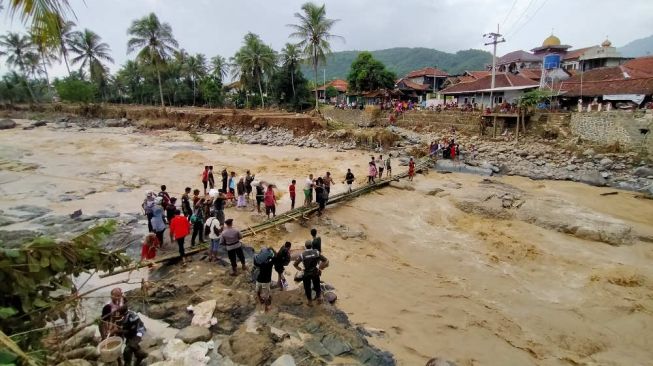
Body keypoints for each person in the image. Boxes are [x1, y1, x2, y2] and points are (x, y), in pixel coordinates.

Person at [293, 240, 329, 306]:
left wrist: (300, 269)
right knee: (317, 286)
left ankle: (310, 302)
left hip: (306, 273)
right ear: (311, 246)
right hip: (315, 272)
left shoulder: (302, 254)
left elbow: (295, 264)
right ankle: (319, 299)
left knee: (307, 288)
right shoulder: (316, 252)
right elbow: (325, 260)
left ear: (305, 246)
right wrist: (320, 268)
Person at [254, 247, 275, 312]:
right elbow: (276, 256)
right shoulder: (270, 264)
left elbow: (255, 261)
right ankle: (266, 308)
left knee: (258, 291)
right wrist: (272, 249)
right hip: (266, 281)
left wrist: (259, 254)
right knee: (266, 296)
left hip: (259, 279)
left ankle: (260, 300)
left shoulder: (261, 264)